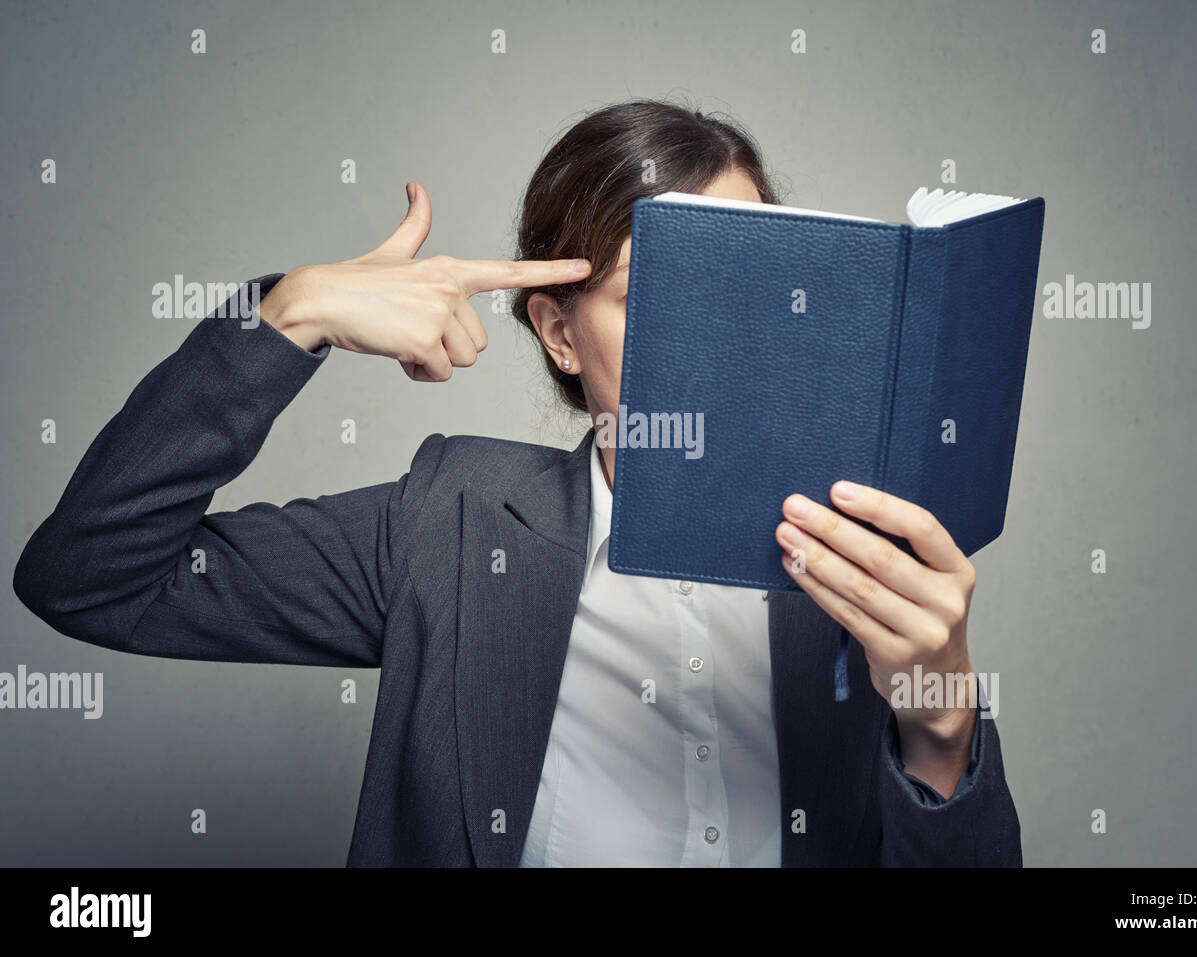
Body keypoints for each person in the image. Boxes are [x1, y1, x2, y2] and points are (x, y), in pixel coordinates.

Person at [13, 99, 1021, 866]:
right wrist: (293, 310)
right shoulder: (448, 524)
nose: (713, 342)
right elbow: (92, 576)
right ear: (559, 332)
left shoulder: (866, 559)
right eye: (653, 297)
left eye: (750, 290)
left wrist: (939, 721)